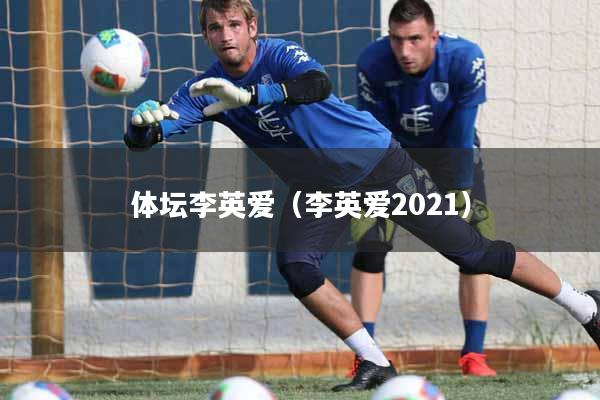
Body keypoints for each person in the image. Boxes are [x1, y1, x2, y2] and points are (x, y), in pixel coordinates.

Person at [123, 0, 600, 392]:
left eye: (233, 25)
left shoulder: (280, 55)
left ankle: (586, 307)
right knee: (296, 266)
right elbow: (150, 135)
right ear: (205, 35)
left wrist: (251, 98)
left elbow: (317, 85)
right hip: (319, 189)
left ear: (252, 27)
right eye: (215, 28)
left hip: (378, 166)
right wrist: (141, 124)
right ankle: (375, 362)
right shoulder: (203, 89)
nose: (226, 35)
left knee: (473, 253)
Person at [348, 0, 496, 377]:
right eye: (397, 39)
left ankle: (474, 356)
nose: (405, 50)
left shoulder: (466, 59)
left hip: (452, 154)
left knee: (475, 246)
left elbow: (462, 132)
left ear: (434, 36)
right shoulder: (371, 62)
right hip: (394, 155)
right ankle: (366, 357)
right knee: (370, 243)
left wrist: (460, 190)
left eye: (414, 39)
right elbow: (376, 134)